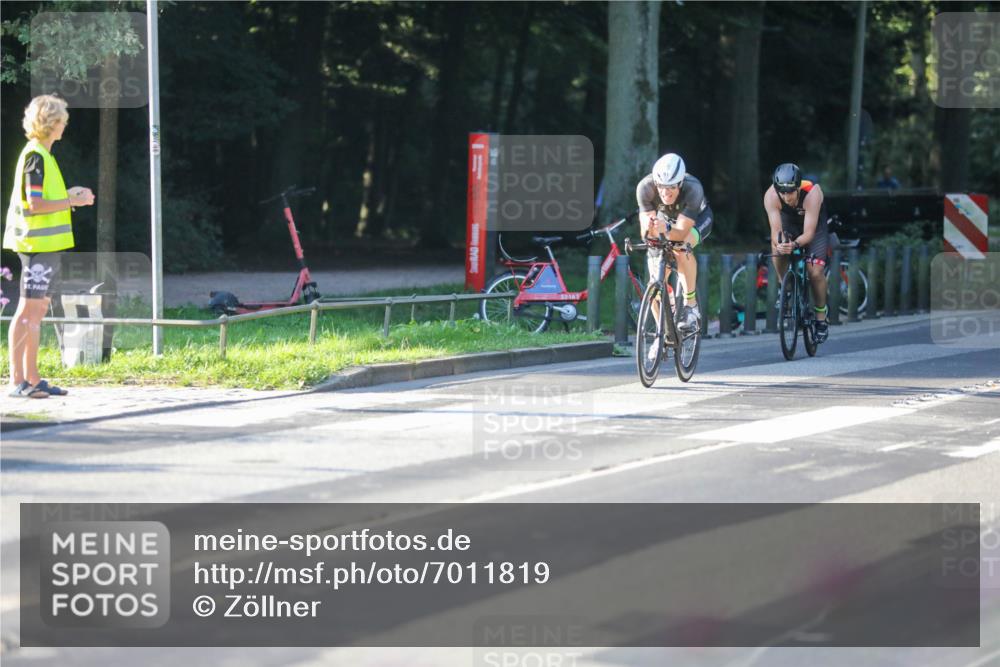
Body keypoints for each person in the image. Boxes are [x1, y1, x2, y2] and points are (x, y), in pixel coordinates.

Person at [4, 94, 94, 398]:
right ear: (52, 123)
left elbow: (42, 199)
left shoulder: (44, 155)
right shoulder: (36, 156)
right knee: (28, 311)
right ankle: (19, 381)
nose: (65, 126)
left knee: (37, 310)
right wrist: (71, 200)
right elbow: (35, 205)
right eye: (62, 121)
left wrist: (70, 194)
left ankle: (32, 377)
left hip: (46, 246)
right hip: (35, 245)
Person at [635, 153, 713, 335]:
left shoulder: (693, 189)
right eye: (661, 186)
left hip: (698, 219)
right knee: (653, 284)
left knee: (680, 247)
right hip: (666, 220)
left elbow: (680, 232)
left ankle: (690, 305)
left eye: (670, 187)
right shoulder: (645, 188)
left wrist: (666, 228)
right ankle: (662, 336)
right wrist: (649, 229)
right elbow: (645, 234)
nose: (664, 192)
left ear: (680, 184)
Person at [763, 163, 829, 343]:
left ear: (798, 187)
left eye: (790, 192)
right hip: (789, 223)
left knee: (814, 271)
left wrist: (796, 244)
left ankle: (821, 316)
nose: (786, 197)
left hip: (813, 226)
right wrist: (782, 244)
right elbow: (776, 230)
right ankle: (785, 287)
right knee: (778, 247)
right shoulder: (771, 196)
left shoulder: (812, 193)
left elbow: (808, 233)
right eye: (782, 192)